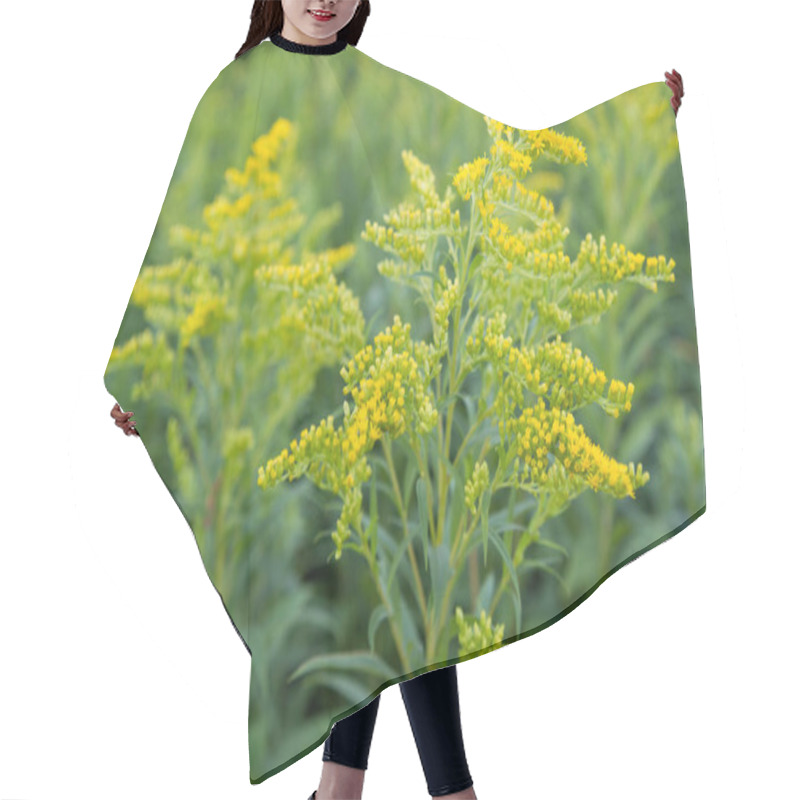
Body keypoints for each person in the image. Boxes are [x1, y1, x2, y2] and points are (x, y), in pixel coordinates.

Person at [108, 4, 686, 798]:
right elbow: (191, 238)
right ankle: (428, 792)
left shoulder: (374, 86)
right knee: (376, 587)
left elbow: (495, 161)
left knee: (399, 578)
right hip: (292, 391)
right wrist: (154, 375)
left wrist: (636, 125)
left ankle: (348, 790)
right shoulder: (234, 92)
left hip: (383, 377)